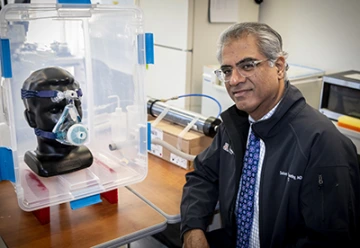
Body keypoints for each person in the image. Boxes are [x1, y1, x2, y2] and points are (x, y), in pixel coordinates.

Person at [180, 22, 360, 248]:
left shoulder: (322, 143)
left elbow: (328, 239)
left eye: (247, 66)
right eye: (227, 70)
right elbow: (204, 176)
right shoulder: (236, 123)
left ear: (279, 67)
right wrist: (193, 228)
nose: (234, 80)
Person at [21, 67, 93, 177]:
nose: (70, 117)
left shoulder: (86, 155)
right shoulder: (40, 164)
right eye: (55, 110)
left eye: (75, 106)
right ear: (31, 119)